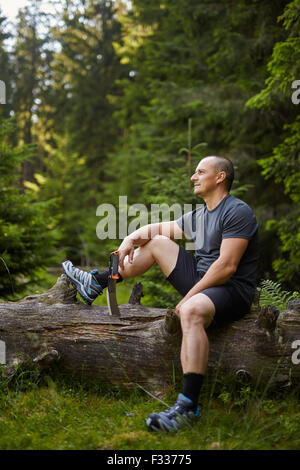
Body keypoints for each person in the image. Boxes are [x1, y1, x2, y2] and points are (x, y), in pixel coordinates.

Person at [62, 155, 259, 432]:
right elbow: (157, 230)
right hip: (203, 280)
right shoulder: (200, 214)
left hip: (231, 289)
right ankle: (97, 282)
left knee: (189, 311)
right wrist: (130, 238)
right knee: (156, 242)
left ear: (220, 177)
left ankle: (188, 406)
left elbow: (227, 267)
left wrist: (189, 296)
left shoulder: (236, 211)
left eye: (200, 172)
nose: (193, 176)